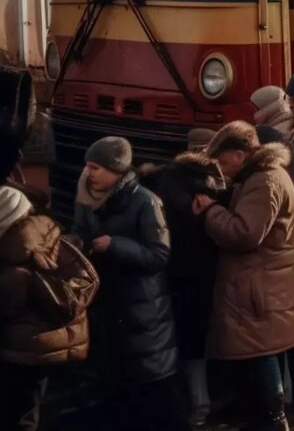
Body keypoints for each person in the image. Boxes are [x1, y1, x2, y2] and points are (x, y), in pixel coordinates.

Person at [69, 137, 184, 430]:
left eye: (96, 167)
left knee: (155, 390)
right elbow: (79, 232)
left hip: (143, 309)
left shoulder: (145, 201)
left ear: (116, 170)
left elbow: (159, 254)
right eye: (87, 166)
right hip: (107, 306)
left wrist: (115, 245)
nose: (88, 172)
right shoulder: (85, 197)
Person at [196, 122, 294, 430]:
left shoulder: (262, 182)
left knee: (260, 350)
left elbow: (245, 233)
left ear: (241, 155)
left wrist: (210, 211)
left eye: (225, 163)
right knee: (266, 350)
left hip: (258, 285)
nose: (222, 171)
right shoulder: (268, 175)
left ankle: (273, 419)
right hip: (267, 282)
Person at [0, 184, 96, 431]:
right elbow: (86, 281)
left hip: (19, 349)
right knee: (29, 411)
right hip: (48, 348)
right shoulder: (50, 235)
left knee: (18, 416)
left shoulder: (13, 259)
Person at [139, 152, 224, 427]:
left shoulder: (164, 183)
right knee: (198, 339)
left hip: (175, 271)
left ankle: (193, 403)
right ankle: (203, 402)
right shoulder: (216, 188)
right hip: (207, 270)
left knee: (179, 340)